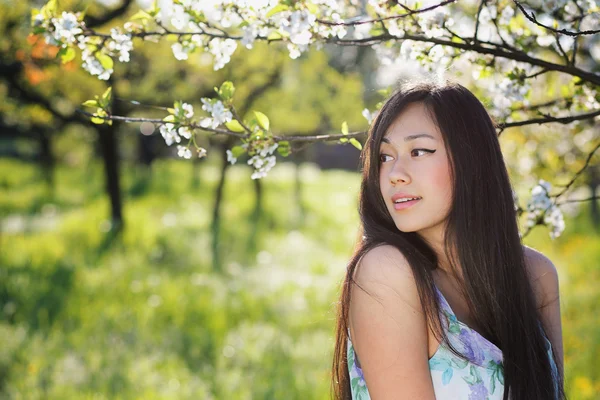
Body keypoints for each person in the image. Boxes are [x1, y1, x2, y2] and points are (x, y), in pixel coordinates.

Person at [330, 80, 565, 400]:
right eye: (385, 156)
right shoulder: (387, 272)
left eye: (419, 151)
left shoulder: (535, 275)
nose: (395, 173)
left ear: (471, 160)